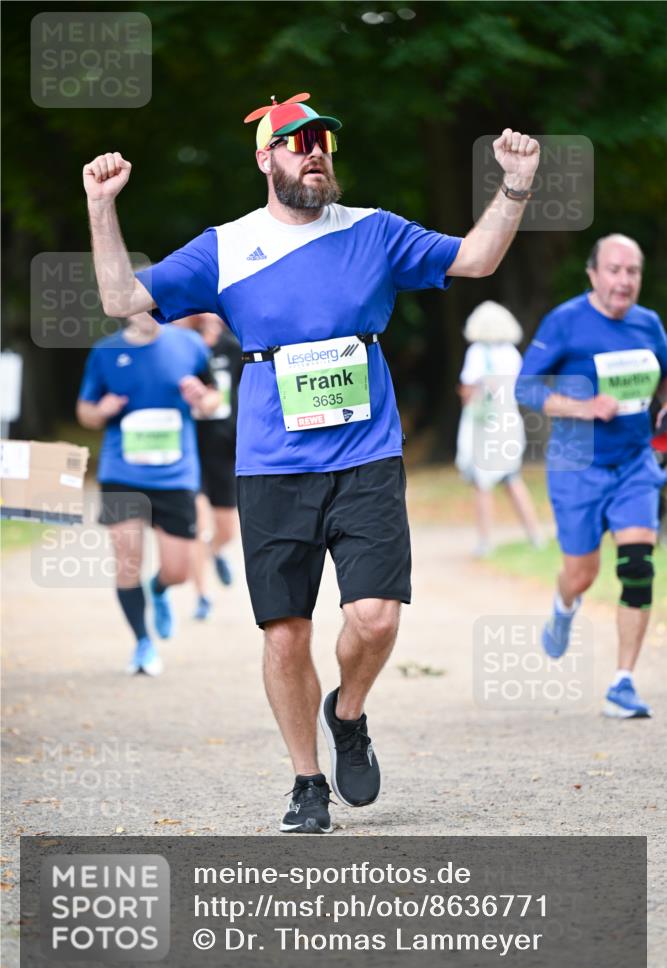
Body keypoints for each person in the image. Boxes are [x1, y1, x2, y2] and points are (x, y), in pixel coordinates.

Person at [82, 94, 540, 832]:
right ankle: (306, 782)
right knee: (285, 632)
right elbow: (118, 295)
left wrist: (514, 183)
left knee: (376, 617)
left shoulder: (374, 231)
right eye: (295, 142)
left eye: (322, 139)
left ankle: (348, 712)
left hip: (366, 455)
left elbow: (477, 257)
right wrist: (102, 206)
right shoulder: (226, 246)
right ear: (265, 158)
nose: (313, 150)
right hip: (271, 465)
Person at [516, 234, 667, 718]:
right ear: (593, 274)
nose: (624, 280)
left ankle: (622, 682)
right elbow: (526, 386)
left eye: (633, 271)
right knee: (583, 574)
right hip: (577, 465)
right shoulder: (565, 322)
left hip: (634, 463)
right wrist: (582, 407)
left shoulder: (649, 325)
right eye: (615, 270)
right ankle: (564, 606)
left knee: (638, 566)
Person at [76, 311, 221, 675]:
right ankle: (142, 642)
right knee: (127, 558)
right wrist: (101, 410)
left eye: (152, 301)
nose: (146, 310)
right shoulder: (106, 351)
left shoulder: (188, 344)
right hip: (121, 470)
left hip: (175, 474)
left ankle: (159, 591)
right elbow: (84, 412)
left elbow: (215, 400)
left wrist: (202, 397)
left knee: (179, 571)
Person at [455, 300, 543, 556]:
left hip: (485, 425)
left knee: (483, 484)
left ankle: (485, 541)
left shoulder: (477, 352)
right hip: (509, 423)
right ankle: (535, 534)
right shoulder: (512, 353)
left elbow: (468, 390)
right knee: (512, 479)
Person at [180, 313, 242, 620]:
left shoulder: (234, 346)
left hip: (225, 446)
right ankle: (203, 595)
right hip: (190, 446)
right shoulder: (184, 346)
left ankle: (216, 552)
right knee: (199, 526)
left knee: (227, 528)